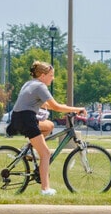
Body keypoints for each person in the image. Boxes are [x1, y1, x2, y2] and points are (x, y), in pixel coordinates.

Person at [7, 61, 86, 195]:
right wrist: (77, 109)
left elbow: (46, 105)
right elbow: (56, 107)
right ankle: (45, 189)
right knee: (46, 154)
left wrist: (66, 109)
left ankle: (27, 150)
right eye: (51, 75)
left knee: (49, 125)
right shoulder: (40, 87)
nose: (53, 78)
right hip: (27, 119)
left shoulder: (30, 84)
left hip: (18, 117)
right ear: (43, 75)